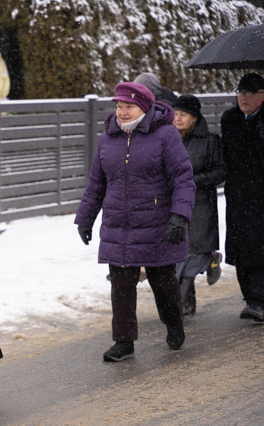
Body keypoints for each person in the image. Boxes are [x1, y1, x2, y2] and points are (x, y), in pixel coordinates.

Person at [75, 82, 195, 362]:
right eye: (118, 106)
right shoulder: (108, 138)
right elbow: (96, 182)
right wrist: (85, 219)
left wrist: (179, 216)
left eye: (128, 106)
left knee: (163, 282)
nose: (122, 112)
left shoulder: (165, 135)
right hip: (119, 223)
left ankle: (174, 324)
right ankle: (124, 341)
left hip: (157, 221)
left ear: (144, 107)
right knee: (121, 284)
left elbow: (182, 179)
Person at [172, 94, 227, 316]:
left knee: (193, 254)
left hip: (201, 204)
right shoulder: (168, 139)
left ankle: (180, 302)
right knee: (179, 253)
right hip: (175, 204)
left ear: (194, 117)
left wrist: (194, 181)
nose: (177, 118)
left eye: (182, 114)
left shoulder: (210, 141)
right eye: (175, 114)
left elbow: (221, 171)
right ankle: (186, 303)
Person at [220, 72, 264, 322]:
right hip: (238, 193)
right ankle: (251, 298)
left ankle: (258, 300)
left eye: (249, 93)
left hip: (261, 193)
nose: (243, 98)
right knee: (240, 246)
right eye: (240, 92)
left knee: (259, 246)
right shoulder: (230, 118)